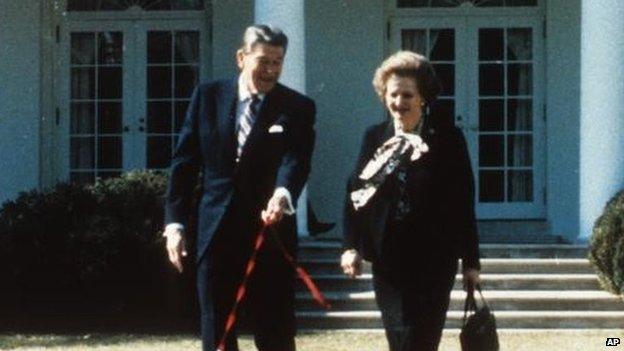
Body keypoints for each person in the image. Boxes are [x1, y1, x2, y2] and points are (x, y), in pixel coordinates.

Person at [163, 24, 315, 351]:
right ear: (241, 57)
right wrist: (174, 224)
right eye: (263, 61)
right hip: (215, 232)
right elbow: (184, 163)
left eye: (278, 62)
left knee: (274, 331)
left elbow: (296, 159)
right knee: (216, 328)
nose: (271, 70)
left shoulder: (297, 107)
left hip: (269, 234)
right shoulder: (207, 96)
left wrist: (283, 193)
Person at [340, 51, 480, 351]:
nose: (399, 103)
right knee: (400, 336)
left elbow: (463, 203)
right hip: (388, 260)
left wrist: (471, 262)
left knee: (421, 339)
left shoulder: (447, 139)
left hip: (434, 260)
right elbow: (356, 194)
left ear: (423, 98)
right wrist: (350, 245)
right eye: (393, 94)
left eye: (407, 95)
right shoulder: (374, 137)